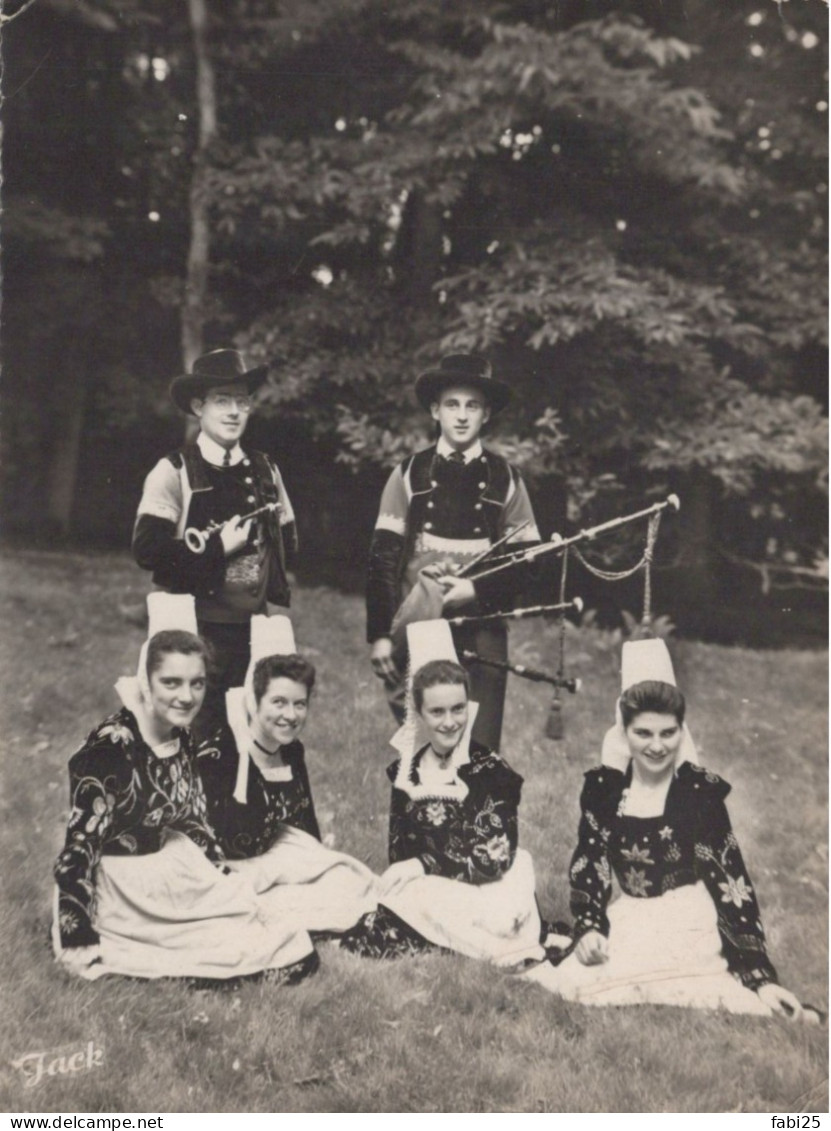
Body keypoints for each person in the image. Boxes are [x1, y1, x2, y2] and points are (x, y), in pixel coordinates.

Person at [526, 639, 819, 1020]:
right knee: (577, 982)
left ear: (682, 731)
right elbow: (590, 865)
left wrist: (759, 976)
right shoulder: (605, 791)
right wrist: (589, 928)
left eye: (668, 733)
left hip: (688, 917)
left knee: (655, 981)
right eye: (643, 734)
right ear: (624, 731)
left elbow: (732, 885)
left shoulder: (698, 795)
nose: (657, 746)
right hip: (632, 912)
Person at [52, 593, 316, 985]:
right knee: (207, 955)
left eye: (196, 683)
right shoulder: (112, 747)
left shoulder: (184, 737)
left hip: (167, 869)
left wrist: (222, 879)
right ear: (146, 680)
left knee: (274, 937)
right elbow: (79, 847)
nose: (186, 696)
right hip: (117, 884)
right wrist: (77, 932)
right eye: (171, 682)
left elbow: (193, 820)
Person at [341, 620, 545, 969]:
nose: (450, 722)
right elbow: (399, 853)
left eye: (457, 709)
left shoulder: (490, 771)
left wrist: (425, 862)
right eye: (437, 712)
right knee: (400, 894)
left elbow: (495, 854)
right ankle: (456, 939)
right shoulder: (407, 774)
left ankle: (463, 940)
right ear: (419, 714)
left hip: (491, 881)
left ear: (468, 706)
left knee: (501, 905)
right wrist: (415, 868)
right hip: (439, 887)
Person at [366, 353, 541, 750]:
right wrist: (379, 634)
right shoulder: (408, 474)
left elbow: (529, 563)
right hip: (422, 624)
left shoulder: (507, 479)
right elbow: (383, 560)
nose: (461, 416)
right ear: (435, 410)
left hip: (484, 627)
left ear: (486, 414)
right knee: (424, 743)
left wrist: (477, 591)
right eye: (452, 404)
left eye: (472, 406)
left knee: (478, 748)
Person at [132, 348, 297, 737]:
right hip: (192, 632)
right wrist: (217, 548)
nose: (233, 411)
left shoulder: (265, 469)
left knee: (250, 736)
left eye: (242, 401)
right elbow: (148, 551)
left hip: (253, 630)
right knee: (191, 737)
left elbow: (288, 539)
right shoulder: (173, 470)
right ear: (198, 407)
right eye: (222, 401)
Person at [197, 615, 379, 934]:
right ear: (254, 700)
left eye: (299, 704)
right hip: (227, 872)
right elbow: (202, 846)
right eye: (279, 702)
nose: (290, 716)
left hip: (275, 867)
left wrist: (314, 866)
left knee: (347, 879)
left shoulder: (292, 752)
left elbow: (304, 829)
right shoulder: (222, 753)